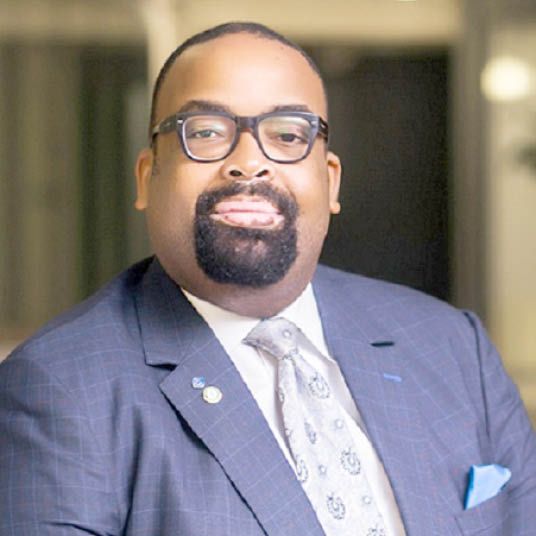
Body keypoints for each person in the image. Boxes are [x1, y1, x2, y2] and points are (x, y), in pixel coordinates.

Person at [0, 22, 534, 536]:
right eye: (205, 132)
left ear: (330, 182)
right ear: (146, 177)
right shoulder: (58, 389)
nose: (249, 162)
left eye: (288, 134)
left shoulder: (452, 346)